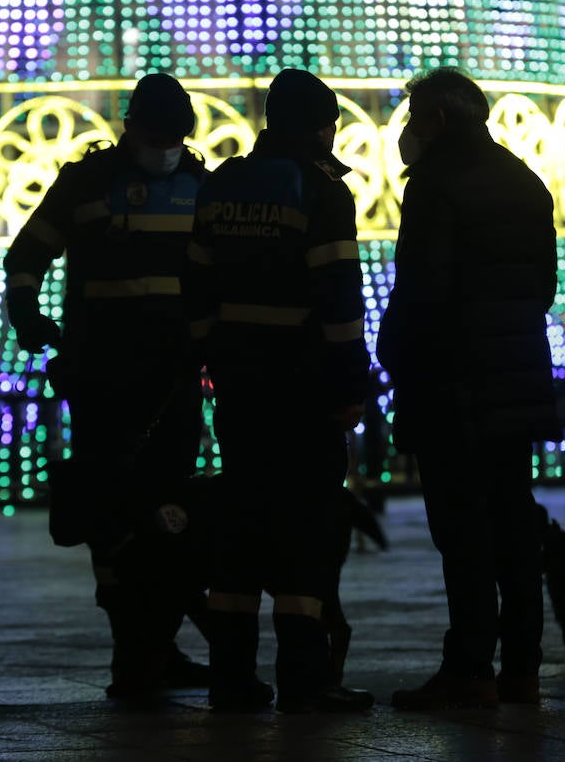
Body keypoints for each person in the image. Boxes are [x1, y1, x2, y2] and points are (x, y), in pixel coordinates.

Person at [4, 72, 210, 699]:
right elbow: (27, 254)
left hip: (173, 382)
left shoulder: (200, 184)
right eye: (158, 136)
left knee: (171, 512)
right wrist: (26, 312)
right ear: (131, 127)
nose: (166, 148)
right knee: (113, 516)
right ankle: (133, 651)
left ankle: (158, 646)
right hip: (103, 378)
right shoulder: (86, 182)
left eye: (175, 138)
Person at [183, 68, 374, 714]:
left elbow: (195, 286)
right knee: (305, 532)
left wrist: (216, 354)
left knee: (239, 527)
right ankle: (305, 679)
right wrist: (351, 385)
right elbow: (340, 301)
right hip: (305, 391)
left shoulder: (222, 185)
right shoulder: (321, 192)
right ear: (320, 129)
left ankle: (231, 678)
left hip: (240, 390)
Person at [380, 67, 558, 710]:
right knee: (514, 522)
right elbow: (544, 289)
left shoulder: (435, 185)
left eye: (413, 118)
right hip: (515, 377)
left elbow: (421, 290)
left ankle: (470, 667)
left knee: (462, 530)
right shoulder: (524, 180)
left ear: (438, 119)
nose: (406, 131)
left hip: (452, 383)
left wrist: (393, 352)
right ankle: (523, 667)